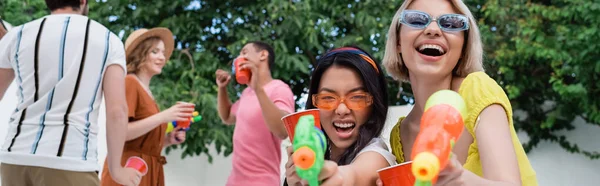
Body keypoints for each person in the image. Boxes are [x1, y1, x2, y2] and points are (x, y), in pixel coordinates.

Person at [379, 0, 538, 185]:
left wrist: (461, 179)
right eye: (416, 20)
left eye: (451, 23)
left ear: (463, 47)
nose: (433, 29)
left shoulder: (477, 89)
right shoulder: (400, 134)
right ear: (398, 41)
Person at [0, 0, 141, 185]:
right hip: (70, 160)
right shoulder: (108, 39)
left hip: (15, 159)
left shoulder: (17, 35)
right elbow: (117, 112)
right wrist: (116, 170)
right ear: (82, 1)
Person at [285, 46, 396, 186]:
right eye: (328, 98)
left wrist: (333, 176)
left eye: (357, 97)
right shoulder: (305, 157)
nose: (342, 110)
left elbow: (353, 175)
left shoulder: (377, 157)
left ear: (374, 103)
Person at [99, 27, 193, 186]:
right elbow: (121, 132)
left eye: (163, 53)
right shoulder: (130, 82)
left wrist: (168, 140)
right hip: (128, 169)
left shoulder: (147, 91)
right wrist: (163, 116)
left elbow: (141, 141)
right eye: (155, 51)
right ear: (140, 54)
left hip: (146, 170)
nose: (162, 57)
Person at [215, 41, 295, 186]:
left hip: (262, 181)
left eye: (244, 52)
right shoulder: (247, 92)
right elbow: (227, 117)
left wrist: (258, 88)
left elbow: (283, 131)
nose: (239, 57)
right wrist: (222, 89)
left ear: (263, 55)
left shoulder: (279, 88)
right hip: (234, 181)